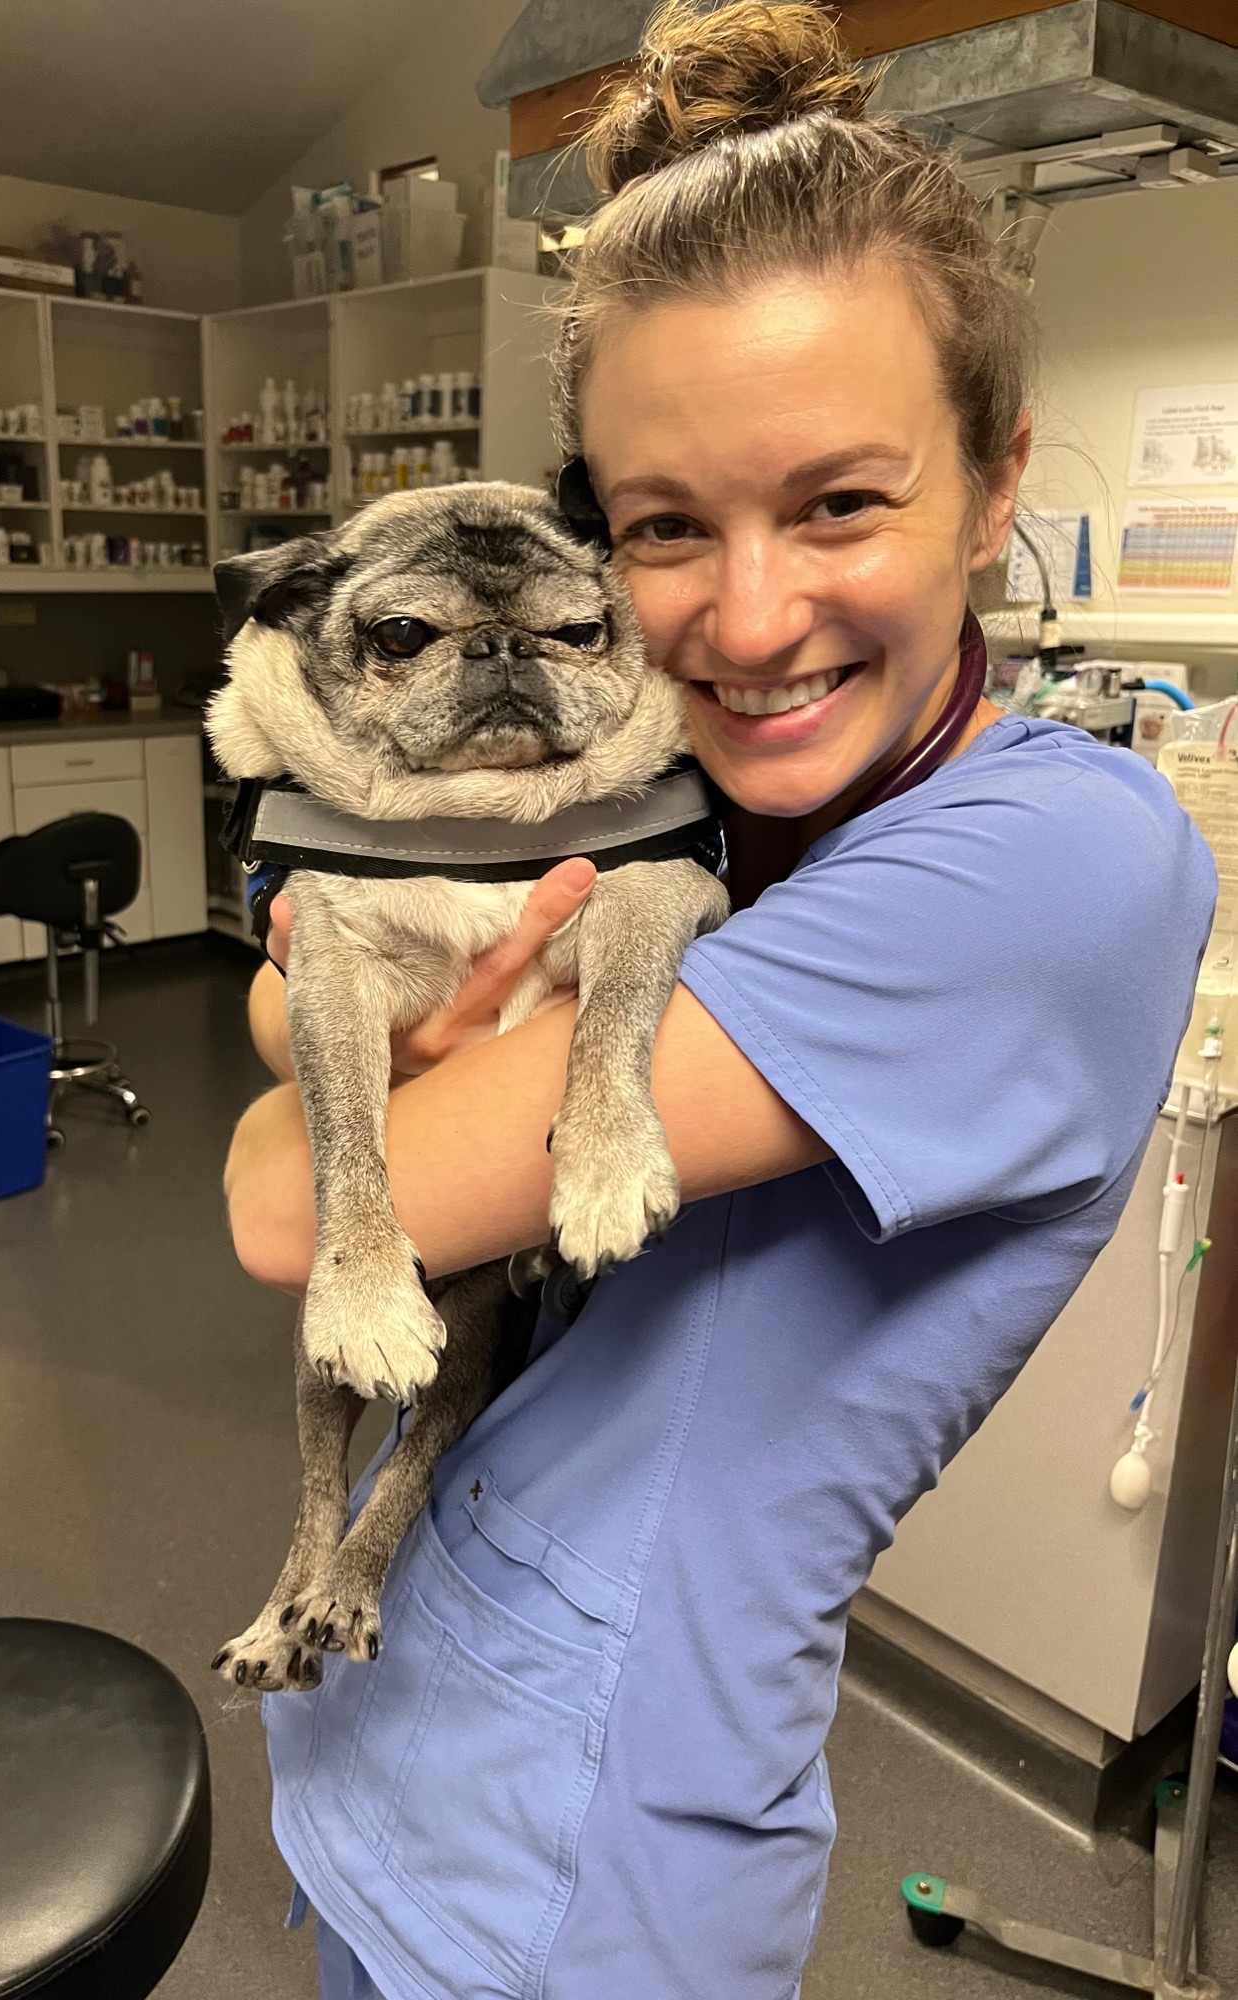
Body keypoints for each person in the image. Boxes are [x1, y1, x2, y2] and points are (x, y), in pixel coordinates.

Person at [224, 5, 1216, 1995]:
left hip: (584, 1879)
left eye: (840, 502)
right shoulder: (731, 809)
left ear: (995, 476)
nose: (746, 619)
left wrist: (376, 1044)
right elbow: (295, 968)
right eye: (669, 523)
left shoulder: (1061, 857)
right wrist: (341, 1028)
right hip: (379, 1734)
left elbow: (287, 1196)